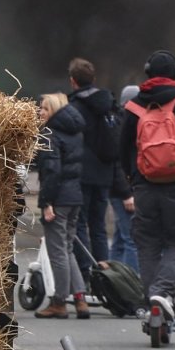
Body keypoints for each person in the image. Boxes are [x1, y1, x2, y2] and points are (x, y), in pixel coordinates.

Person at [120, 50, 175, 336]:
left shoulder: (134, 106)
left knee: (147, 243)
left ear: (147, 72)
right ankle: (161, 293)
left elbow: (122, 147)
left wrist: (131, 176)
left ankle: (152, 301)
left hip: (144, 185)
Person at [33, 92, 91, 319]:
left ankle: (59, 301)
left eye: (44, 109)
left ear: (54, 111)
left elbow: (51, 171)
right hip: (75, 196)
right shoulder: (75, 132)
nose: (40, 112)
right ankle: (80, 299)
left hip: (58, 199)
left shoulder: (50, 134)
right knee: (67, 249)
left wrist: (47, 202)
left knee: (57, 251)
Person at [66, 58, 122, 264]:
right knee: (98, 226)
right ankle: (103, 275)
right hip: (104, 174)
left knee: (79, 225)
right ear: (94, 79)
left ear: (73, 81)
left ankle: (85, 273)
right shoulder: (109, 105)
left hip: (81, 175)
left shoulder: (74, 107)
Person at [109, 85, 141, 267]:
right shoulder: (123, 125)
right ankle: (132, 283)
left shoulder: (121, 122)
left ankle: (112, 280)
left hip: (120, 189)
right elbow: (118, 162)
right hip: (122, 191)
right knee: (131, 239)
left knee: (121, 238)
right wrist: (127, 194)